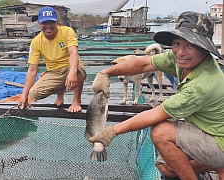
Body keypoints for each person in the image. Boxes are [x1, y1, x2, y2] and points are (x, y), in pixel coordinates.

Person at [90, 11, 224, 179]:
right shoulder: (182, 60)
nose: (181, 52)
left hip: (219, 140)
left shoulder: (202, 85)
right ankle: (217, 165)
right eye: (177, 43)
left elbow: (156, 114)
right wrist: (105, 73)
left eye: (190, 45)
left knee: (161, 132)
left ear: (204, 48)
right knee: (166, 167)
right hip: (206, 129)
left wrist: (111, 132)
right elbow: (145, 63)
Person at [18, 6, 87, 113]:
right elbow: (32, 70)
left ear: (57, 22)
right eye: (45, 23)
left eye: (51, 22)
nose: (48, 26)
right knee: (34, 93)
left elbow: (74, 53)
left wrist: (72, 72)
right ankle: (60, 91)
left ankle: (76, 101)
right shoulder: (36, 42)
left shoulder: (67, 31)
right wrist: (24, 95)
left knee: (76, 68)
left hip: (70, 67)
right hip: (54, 72)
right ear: (39, 24)